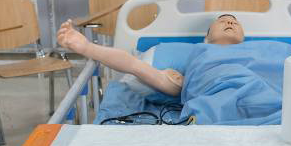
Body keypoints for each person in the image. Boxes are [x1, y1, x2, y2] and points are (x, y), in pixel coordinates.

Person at [56, 14, 245, 96]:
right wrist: (87, 48)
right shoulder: (198, 60)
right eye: (222, 21)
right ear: (206, 38)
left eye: (235, 22)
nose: (230, 22)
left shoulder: (263, 50)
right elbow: (134, 65)